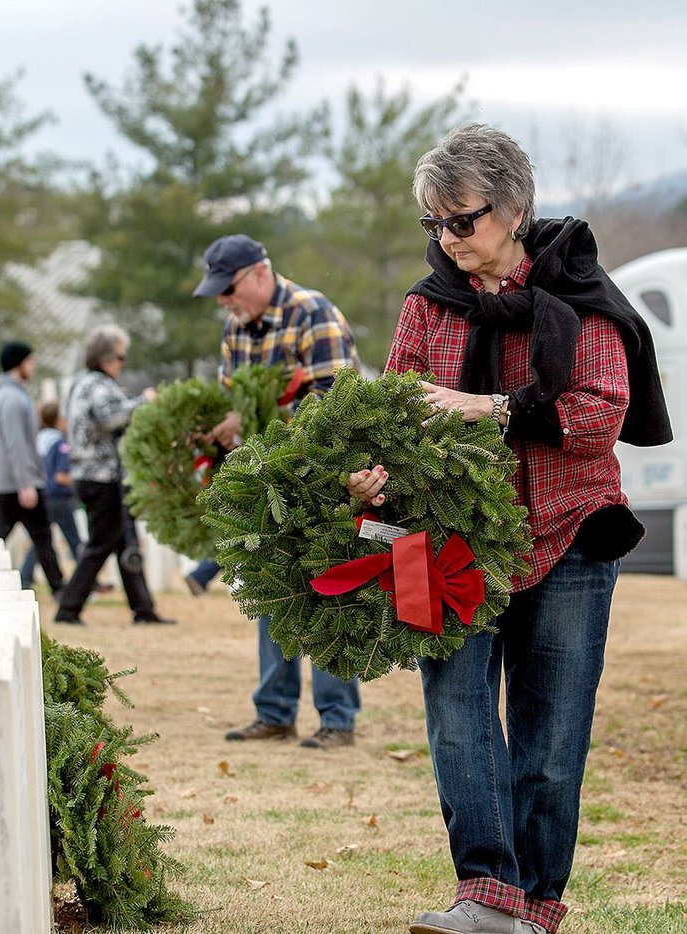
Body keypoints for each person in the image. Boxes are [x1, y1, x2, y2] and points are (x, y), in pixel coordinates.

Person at [348, 124, 671, 934]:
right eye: (433, 224)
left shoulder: (576, 291)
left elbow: (599, 415)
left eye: (463, 219)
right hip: (449, 545)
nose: (447, 239)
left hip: (569, 533)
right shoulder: (426, 307)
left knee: (552, 736)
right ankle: (486, 894)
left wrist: (482, 408)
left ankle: (535, 908)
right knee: (455, 711)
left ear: (515, 206)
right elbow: (393, 412)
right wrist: (373, 475)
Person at [192, 233, 363, 750]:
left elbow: (334, 403)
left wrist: (259, 418)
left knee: (331, 591)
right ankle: (275, 713)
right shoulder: (235, 331)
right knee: (274, 593)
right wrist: (222, 426)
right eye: (218, 292)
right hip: (266, 481)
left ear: (260, 274)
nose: (223, 300)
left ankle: (337, 718)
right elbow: (232, 398)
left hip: (326, 476)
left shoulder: (314, 314)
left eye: (229, 289)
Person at [54, 324, 174, 626]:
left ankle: (143, 609)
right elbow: (111, 417)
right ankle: (68, 608)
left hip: (92, 475)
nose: (122, 364)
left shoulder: (82, 383)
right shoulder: (98, 385)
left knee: (124, 541)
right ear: (107, 358)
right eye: (121, 357)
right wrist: (146, 400)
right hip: (101, 476)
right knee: (101, 543)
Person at [0, 341, 64, 596]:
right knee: (39, 535)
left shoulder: (9, 394)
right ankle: (59, 590)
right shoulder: (10, 398)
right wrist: (25, 483)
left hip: (12, 480)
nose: (33, 365)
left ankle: (57, 587)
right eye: (30, 360)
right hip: (18, 481)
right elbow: (15, 445)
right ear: (18, 363)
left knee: (6, 535)